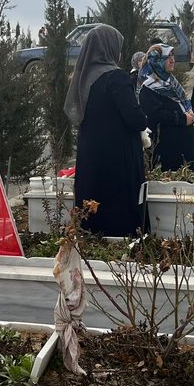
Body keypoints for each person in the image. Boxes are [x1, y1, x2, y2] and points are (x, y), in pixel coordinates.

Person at [63, 24, 147, 237]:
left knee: (94, 202)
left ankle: (92, 239)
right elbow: (134, 119)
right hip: (118, 156)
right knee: (119, 208)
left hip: (90, 153)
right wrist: (144, 118)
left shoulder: (83, 79)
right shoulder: (116, 78)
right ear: (109, 48)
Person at [139, 44, 194, 171]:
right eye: (168, 57)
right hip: (167, 149)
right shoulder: (149, 88)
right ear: (157, 61)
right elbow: (156, 115)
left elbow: (182, 103)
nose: (173, 60)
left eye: (173, 56)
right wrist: (182, 118)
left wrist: (191, 112)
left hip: (183, 146)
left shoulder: (171, 83)